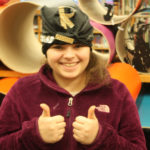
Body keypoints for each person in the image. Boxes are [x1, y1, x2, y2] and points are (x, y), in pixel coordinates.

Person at [0, 3, 147, 150]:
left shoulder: (117, 92)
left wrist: (102, 137)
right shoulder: (22, 91)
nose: (69, 56)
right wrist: (33, 135)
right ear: (46, 51)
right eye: (58, 47)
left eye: (78, 46)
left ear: (89, 49)